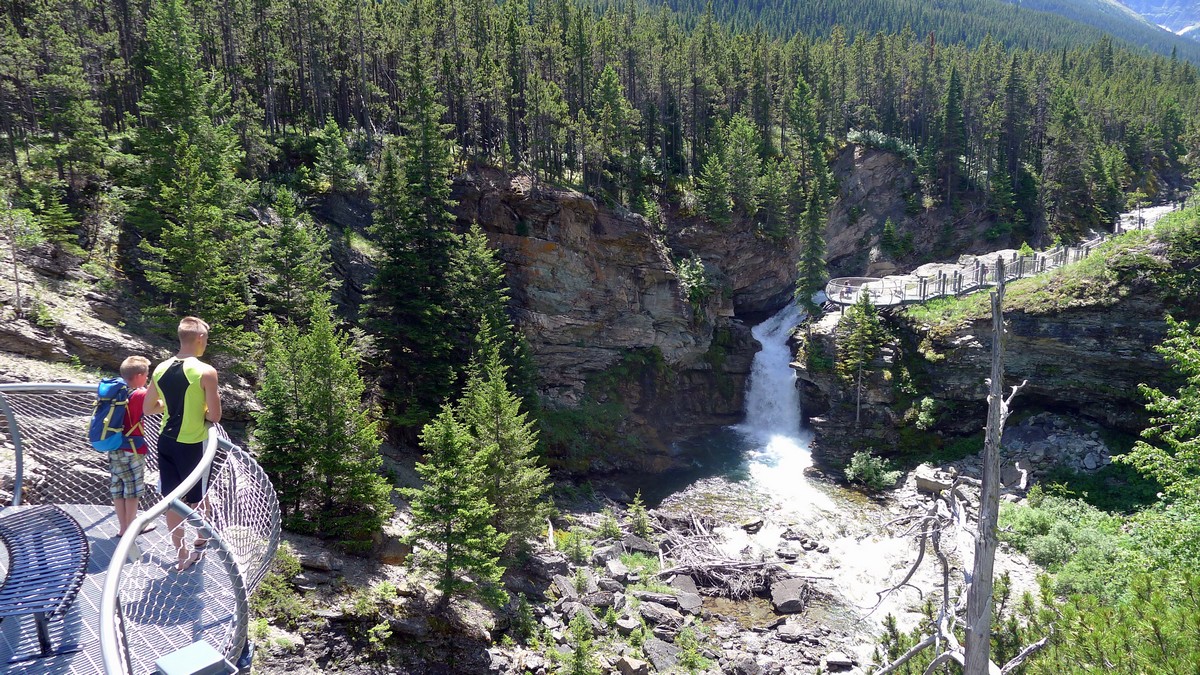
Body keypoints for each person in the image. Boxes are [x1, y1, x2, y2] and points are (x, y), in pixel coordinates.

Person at [144, 316, 222, 572]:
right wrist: (197, 411)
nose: (206, 343)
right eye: (206, 339)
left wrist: (171, 406)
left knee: (172, 498)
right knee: (197, 497)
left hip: (165, 441)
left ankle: (181, 553)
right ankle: (202, 537)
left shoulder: (160, 368)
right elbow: (214, 415)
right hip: (192, 442)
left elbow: (148, 408)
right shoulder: (206, 372)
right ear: (200, 338)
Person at [111, 356, 154, 537]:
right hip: (133, 449)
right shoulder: (140, 394)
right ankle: (132, 528)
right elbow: (156, 407)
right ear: (138, 376)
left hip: (114, 445)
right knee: (133, 490)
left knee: (118, 487)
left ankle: (123, 527)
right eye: (146, 375)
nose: (147, 378)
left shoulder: (117, 391)